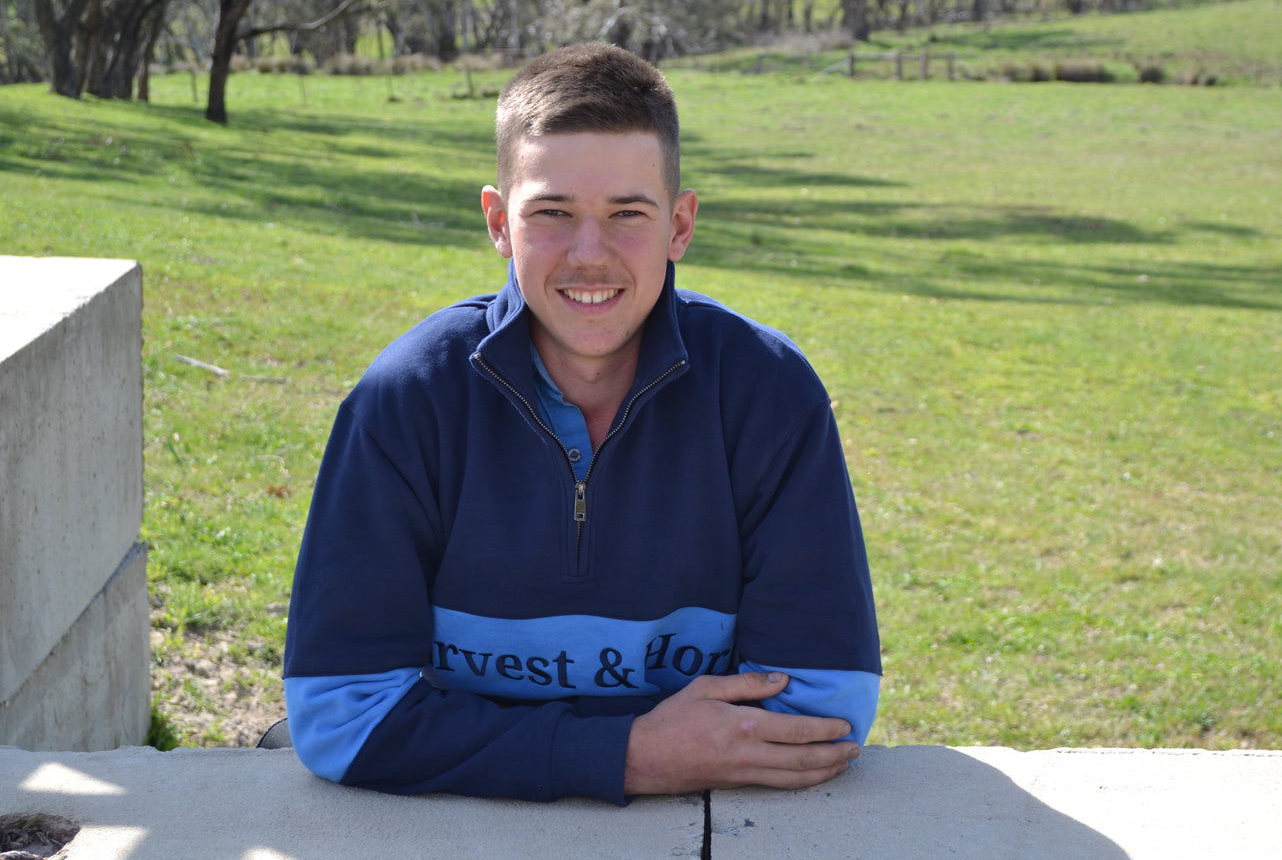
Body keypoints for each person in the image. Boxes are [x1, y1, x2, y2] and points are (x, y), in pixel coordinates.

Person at [282, 42, 881, 804]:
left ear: (680, 224)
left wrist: (471, 739)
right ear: (499, 222)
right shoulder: (407, 398)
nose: (589, 254)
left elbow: (819, 715)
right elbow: (343, 714)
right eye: (552, 213)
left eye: (627, 213)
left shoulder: (767, 391)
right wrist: (628, 753)